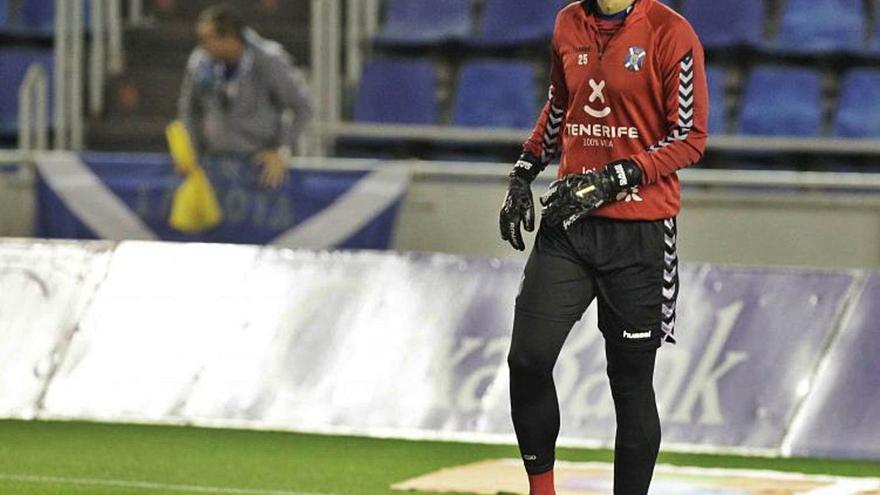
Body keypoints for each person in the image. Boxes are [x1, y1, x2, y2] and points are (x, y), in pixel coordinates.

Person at [499, 0, 708, 493]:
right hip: (570, 224)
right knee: (527, 360)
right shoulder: (568, 22)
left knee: (630, 384)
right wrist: (523, 171)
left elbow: (690, 137)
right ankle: (542, 489)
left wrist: (616, 176)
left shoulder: (670, 33)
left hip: (640, 232)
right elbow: (559, 105)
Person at [178, 4, 313, 189]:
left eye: (208, 39)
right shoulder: (200, 62)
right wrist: (192, 148)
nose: (202, 45)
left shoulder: (269, 60)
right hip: (213, 164)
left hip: (260, 167)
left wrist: (280, 149)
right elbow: (189, 107)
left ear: (229, 37)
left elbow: (302, 107)